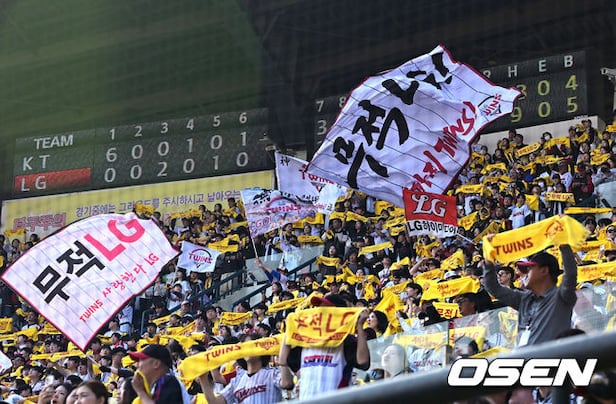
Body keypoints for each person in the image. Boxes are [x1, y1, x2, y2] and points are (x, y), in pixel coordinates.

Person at [278, 293, 370, 400]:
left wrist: (359, 326)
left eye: (324, 309)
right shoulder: (305, 339)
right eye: (318, 308)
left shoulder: (346, 340)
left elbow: (363, 361)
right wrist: (291, 327)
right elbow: (285, 374)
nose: (318, 312)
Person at [482, 244, 577, 346]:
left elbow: (570, 274)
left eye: (529, 269)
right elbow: (493, 287)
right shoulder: (523, 299)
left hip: (551, 355)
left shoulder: (561, 296)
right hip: (523, 354)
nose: (525, 274)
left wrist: (564, 244)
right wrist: (488, 259)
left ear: (544, 271)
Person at [198, 333, 283, 404]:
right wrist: (203, 378)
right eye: (244, 348)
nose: (247, 351)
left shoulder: (273, 373)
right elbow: (215, 402)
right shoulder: (237, 380)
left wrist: (283, 356)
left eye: (250, 346)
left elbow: (287, 383)